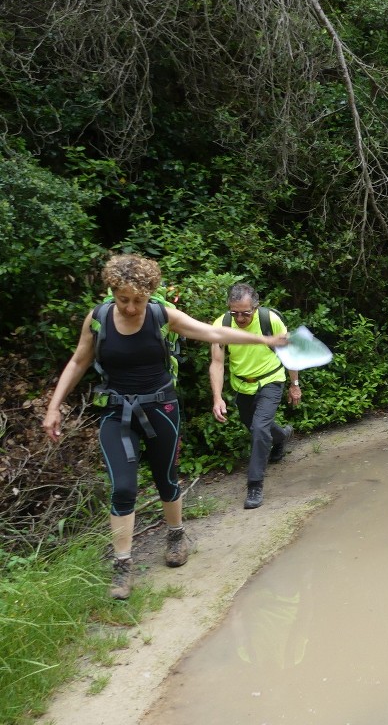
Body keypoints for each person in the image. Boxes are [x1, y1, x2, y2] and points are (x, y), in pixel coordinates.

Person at [42, 254, 288, 599]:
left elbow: (212, 331)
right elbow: (79, 361)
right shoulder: (97, 319)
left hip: (161, 408)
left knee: (166, 479)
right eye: (122, 299)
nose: (130, 307)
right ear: (112, 292)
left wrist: (263, 340)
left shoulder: (161, 315)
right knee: (123, 488)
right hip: (115, 413)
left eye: (138, 300)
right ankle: (123, 565)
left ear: (150, 294)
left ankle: (175, 535)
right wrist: (54, 407)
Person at [209, 284, 300, 511]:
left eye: (245, 313)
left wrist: (294, 385)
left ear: (255, 307)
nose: (240, 318)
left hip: (270, 379)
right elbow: (217, 363)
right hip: (241, 384)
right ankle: (281, 437)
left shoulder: (270, 320)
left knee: (260, 429)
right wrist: (217, 398)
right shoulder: (221, 325)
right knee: (255, 427)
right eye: (235, 313)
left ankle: (254, 485)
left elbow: (289, 353)